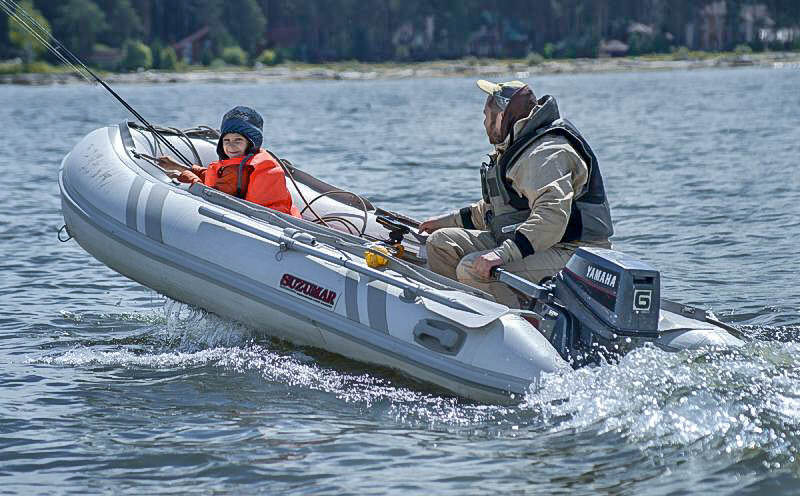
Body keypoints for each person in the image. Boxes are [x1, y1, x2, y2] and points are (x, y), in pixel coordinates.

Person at [419, 80, 614, 308]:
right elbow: (500, 211)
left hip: (573, 251)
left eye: (488, 114)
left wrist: (503, 254)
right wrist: (445, 221)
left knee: (472, 269)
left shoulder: (545, 154)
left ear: (504, 116)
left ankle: (520, 326)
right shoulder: (518, 146)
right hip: (540, 243)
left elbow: (551, 216)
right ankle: (455, 313)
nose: (484, 121)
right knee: (442, 243)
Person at [158, 106, 301, 218]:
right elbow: (212, 177)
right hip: (286, 214)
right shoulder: (249, 161)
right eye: (226, 140)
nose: (231, 145)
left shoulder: (236, 171)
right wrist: (180, 167)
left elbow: (214, 196)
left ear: (250, 143)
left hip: (266, 223)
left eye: (238, 140)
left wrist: (184, 176)